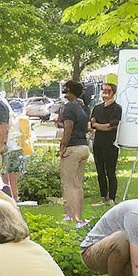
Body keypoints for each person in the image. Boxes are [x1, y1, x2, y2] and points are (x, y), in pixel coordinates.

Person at [58, 80, 90, 227]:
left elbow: (68, 128)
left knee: (69, 185)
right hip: (84, 146)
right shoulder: (82, 107)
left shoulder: (69, 107)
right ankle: (78, 217)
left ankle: (71, 217)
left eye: (65, 87)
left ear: (69, 89)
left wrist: (63, 146)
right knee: (77, 185)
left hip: (73, 148)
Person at [89, 81, 122, 205]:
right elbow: (90, 125)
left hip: (111, 144)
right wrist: (95, 125)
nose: (105, 93)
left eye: (108, 91)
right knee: (100, 171)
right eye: (103, 90)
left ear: (113, 93)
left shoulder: (117, 108)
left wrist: (97, 124)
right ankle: (103, 196)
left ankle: (111, 198)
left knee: (110, 172)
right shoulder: (97, 108)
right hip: (97, 144)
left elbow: (110, 126)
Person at [1, 106, 34, 200]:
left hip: (12, 150)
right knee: (11, 177)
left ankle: (12, 198)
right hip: (18, 149)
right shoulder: (20, 121)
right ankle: (13, 197)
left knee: (9, 176)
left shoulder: (11, 121)